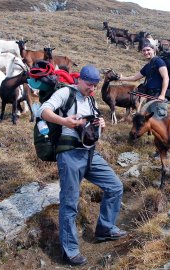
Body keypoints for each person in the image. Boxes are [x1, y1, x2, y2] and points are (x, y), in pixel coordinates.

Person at [38, 65, 127, 266]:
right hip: (69, 154)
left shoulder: (91, 99)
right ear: (80, 80)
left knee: (115, 186)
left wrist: (100, 125)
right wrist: (64, 121)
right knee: (70, 201)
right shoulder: (65, 93)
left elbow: (91, 129)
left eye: (95, 85)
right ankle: (69, 251)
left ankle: (105, 229)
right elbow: (43, 110)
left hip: (90, 153)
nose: (92, 88)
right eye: (89, 84)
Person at [119, 40, 169, 120]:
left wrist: (162, 95)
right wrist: (122, 78)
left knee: (159, 121)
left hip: (158, 96)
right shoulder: (148, 65)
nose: (146, 52)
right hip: (150, 96)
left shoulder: (159, 62)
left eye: (148, 50)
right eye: (144, 50)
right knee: (150, 120)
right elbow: (135, 78)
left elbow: (166, 78)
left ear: (154, 50)